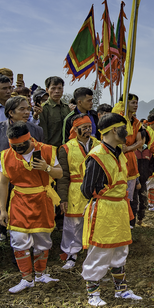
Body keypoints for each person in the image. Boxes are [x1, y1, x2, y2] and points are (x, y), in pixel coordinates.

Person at [0, 96, 44, 275]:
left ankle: (20, 262)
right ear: (10, 112)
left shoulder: (36, 130)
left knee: (21, 226)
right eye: (22, 109)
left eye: (28, 108)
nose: (27, 112)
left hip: (25, 187)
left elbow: (39, 158)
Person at [80, 113, 142, 306]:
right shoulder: (97, 155)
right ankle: (93, 294)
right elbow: (87, 189)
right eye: (124, 128)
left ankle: (121, 290)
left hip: (119, 207)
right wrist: (107, 194)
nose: (128, 133)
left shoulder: (119, 153)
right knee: (100, 250)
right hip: (104, 208)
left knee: (120, 250)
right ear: (114, 130)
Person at [0, 121, 63, 293]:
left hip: (42, 198)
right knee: (19, 239)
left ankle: (41, 275)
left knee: (42, 239)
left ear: (30, 139)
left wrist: (46, 167)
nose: (18, 149)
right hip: (19, 200)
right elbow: (3, 183)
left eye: (22, 145)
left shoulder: (48, 150)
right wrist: (3, 210)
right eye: (15, 146)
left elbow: (60, 173)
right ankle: (26, 278)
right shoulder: (6, 155)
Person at [57, 114, 99, 269]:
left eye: (90, 127)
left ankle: (93, 252)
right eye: (84, 128)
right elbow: (62, 176)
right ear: (76, 129)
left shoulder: (99, 145)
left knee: (94, 221)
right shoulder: (66, 148)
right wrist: (63, 198)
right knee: (73, 224)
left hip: (95, 190)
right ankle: (71, 254)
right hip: (75, 190)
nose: (88, 130)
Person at [113, 94, 144, 201]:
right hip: (117, 159)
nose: (136, 105)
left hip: (131, 159)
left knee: (129, 197)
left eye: (137, 103)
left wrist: (128, 148)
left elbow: (140, 141)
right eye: (133, 103)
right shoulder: (117, 120)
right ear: (124, 104)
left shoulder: (136, 122)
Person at [39, 76, 71, 147]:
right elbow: (43, 133)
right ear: (47, 90)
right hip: (51, 149)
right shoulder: (43, 108)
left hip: (67, 148)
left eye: (60, 88)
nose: (57, 91)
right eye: (53, 88)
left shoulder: (66, 107)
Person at [131, 129, 154, 227]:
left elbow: (151, 165)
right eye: (136, 139)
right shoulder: (132, 152)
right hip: (133, 182)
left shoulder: (148, 152)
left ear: (145, 139)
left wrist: (148, 174)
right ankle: (132, 221)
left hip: (143, 181)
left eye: (141, 139)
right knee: (133, 201)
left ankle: (140, 219)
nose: (139, 142)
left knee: (143, 201)